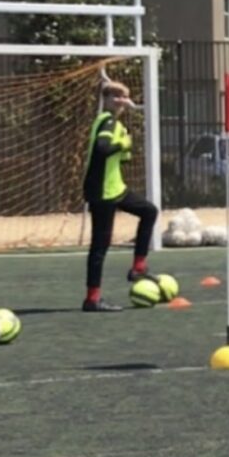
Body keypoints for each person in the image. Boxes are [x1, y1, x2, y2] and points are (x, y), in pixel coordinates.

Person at [82, 80, 158, 313]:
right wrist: (123, 142)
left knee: (149, 211)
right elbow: (103, 149)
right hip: (103, 192)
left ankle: (138, 268)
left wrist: (125, 146)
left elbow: (120, 158)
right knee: (100, 246)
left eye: (123, 96)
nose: (120, 100)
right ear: (105, 100)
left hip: (114, 188)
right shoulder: (108, 122)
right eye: (115, 96)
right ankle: (92, 299)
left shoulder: (113, 123)